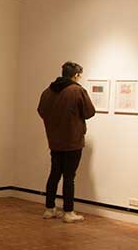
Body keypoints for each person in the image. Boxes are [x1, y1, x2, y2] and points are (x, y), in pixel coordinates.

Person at [37, 61, 96, 223]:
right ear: (76, 75)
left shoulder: (47, 91)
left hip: (54, 140)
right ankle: (68, 212)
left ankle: (49, 208)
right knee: (69, 177)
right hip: (73, 141)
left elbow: (41, 111)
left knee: (54, 174)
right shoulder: (77, 91)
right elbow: (90, 112)